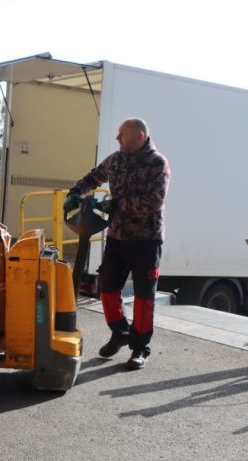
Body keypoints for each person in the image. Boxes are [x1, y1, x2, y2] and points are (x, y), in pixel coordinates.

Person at [66, 117, 171, 369]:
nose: (117, 138)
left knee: (143, 298)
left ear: (140, 136)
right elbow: (94, 177)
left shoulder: (158, 164)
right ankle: (120, 332)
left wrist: (115, 205)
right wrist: (75, 192)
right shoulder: (117, 159)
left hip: (146, 240)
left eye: (122, 134)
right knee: (108, 289)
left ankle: (140, 348)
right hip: (117, 237)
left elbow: (153, 202)